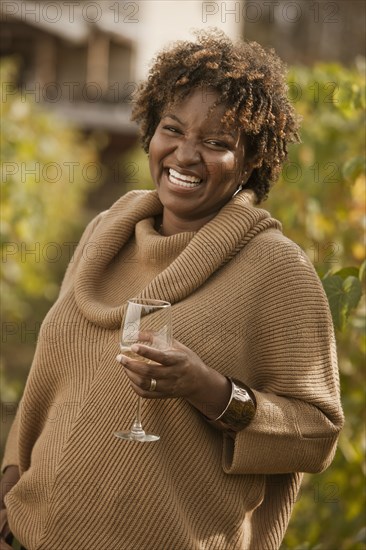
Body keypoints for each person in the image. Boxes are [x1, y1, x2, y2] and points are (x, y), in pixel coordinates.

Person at [1, 29, 344, 550]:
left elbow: (317, 433)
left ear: (251, 162)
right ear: (150, 132)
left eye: (216, 143)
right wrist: (9, 484)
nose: (185, 155)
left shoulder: (277, 270)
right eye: (173, 129)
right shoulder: (105, 234)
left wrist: (209, 389)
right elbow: (50, 382)